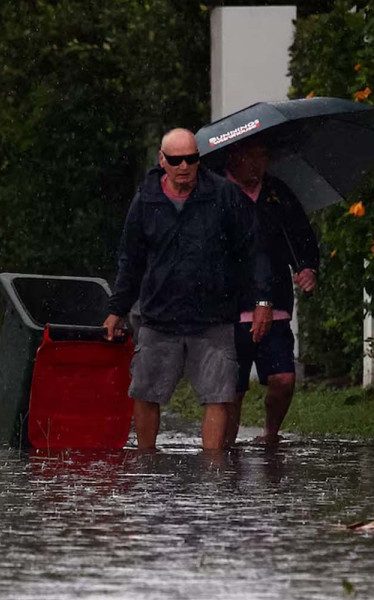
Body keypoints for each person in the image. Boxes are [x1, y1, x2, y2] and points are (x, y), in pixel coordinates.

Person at [103, 128, 273, 451]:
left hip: (213, 317)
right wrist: (116, 309)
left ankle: (213, 466)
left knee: (219, 394)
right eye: (177, 160)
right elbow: (131, 260)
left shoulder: (223, 195)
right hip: (159, 316)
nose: (185, 166)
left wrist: (262, 299)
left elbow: (254, 249)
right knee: (145, 391)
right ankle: (146, 460)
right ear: (162, 161)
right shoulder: (145, 201)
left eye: (192, 159)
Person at [223, 138, 319, 446]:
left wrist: (307, 267)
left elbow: (301, 235)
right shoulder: (216, 194)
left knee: (283, 379)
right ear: (234, 159)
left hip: (276, 300)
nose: (258, 164)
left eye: (263, 156)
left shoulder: (277, 193)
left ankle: (270, 434)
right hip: (230, 305)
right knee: (232, 388)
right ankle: (224, 448)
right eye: (251, 157)